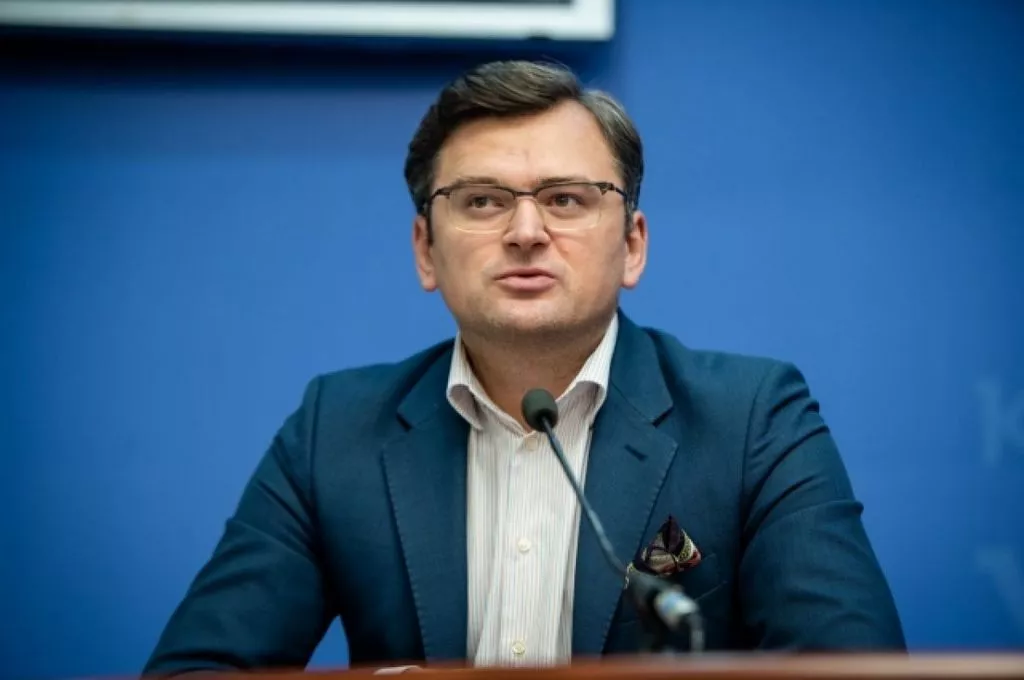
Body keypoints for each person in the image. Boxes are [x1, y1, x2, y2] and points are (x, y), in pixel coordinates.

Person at [143, 60, 905, 674]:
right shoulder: (334, 432)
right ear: (425, 250)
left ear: (632, 245)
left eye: (567, 199)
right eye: (482, 201)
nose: (527, 231)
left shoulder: (751, 421)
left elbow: (853, 671)